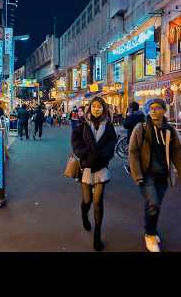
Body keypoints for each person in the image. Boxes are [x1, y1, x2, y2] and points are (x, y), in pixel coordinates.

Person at [128, 98, 181, 252]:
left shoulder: (170, 131)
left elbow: (177, 154)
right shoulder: (140, 128)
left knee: (155, 205)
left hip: (163, 174)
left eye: (157, 108)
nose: (154, 111)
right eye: (151, 108)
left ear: (164, 110)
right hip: (146, 174)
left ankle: (152, 229)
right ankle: (149, 234)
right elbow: (133, 152)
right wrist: (137, 175)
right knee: (153, 203)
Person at [71, 97, 117, 251]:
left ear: (104, 109)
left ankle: (97, 234)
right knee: (87, 200)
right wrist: (85, 154)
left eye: (99, 107)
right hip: (86, 167)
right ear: (89, 108)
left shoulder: (108, 125)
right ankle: (84, 214)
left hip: (101, 166)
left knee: (98, 202)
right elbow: (75, 142)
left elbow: (112, 142)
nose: (96, 109)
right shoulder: (82, 124)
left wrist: (105, 155)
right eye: (94, 106)